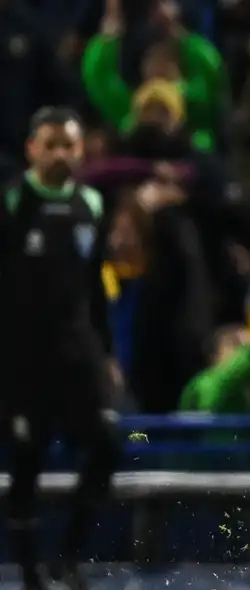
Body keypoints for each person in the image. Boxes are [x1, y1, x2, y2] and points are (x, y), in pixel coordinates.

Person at [0, 107, 122, 589]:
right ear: (31, 149)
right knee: (26, 459)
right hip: (23, 357)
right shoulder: (12, 201)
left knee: (108, 444)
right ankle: (30, 574)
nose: (59, 154)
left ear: (81, 149)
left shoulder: (91, 203)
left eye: (68, 145)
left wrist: (107, 352)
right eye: (49, 144)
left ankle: (68, 558)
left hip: (78, 352)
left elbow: (94, 287)